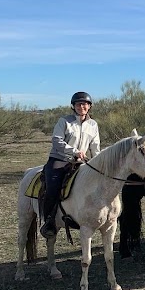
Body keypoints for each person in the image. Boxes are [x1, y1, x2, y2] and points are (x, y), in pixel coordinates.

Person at [39, 92, 102, 237]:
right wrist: (74, 151)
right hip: (60, 160)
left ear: (89, 106)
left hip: (80, 162)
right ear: (73, 106)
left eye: (84, 104)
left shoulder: (93, 125)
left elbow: (95, 146)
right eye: (78, 104)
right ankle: (49, 221)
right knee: (53, 188)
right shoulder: (64, 121)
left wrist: (98, 163)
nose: (81, 106)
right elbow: (57, 140)